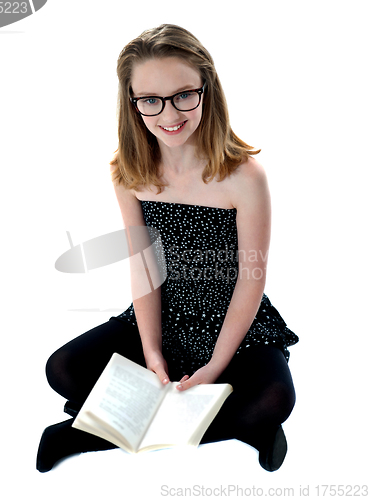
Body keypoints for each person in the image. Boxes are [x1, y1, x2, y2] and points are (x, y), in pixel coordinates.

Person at [36, 24, 299, 473]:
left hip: (235, 322)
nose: (169, 113)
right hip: (164, 313)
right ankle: (237, 424)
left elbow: (252, 278)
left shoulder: (244, 176)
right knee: (62, 369)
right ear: (133, 102)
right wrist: (152, 351)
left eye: (183, 95)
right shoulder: (129, 172)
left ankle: (89, 432)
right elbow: (143, 269)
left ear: (206, 89)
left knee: (276, 398)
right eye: (151, 100)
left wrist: (216, 365)